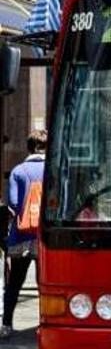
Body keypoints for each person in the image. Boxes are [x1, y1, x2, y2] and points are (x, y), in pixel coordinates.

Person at [2, 130, 46, 338]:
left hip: (21, 236)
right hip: (46, 237)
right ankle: (45, 323)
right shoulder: (53, 169)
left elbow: (13, 203)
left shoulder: (18, 171)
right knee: (44, 284)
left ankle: (7, 324)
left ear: (29, 147)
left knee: (15, 283)